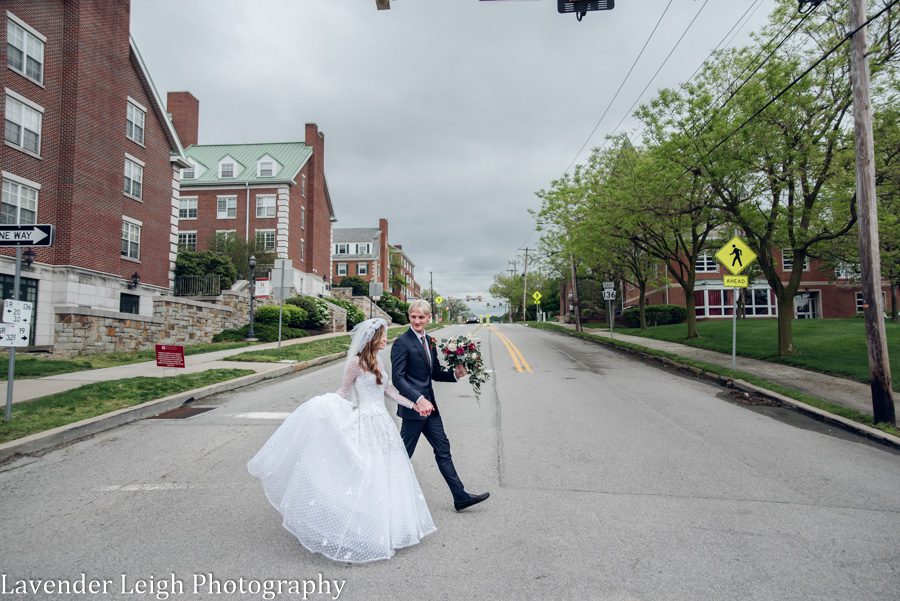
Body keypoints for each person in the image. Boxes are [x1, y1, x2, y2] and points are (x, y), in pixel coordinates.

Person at [247, 318, 436, 563]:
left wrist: (415, 404)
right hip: (365, 423)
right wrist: (323, 406)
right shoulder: (355, 364)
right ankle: (364, 528)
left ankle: (388, 527)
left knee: (387, 473)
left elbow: (389, 392)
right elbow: (343, 392)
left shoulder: (379, 361)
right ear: (372, 338)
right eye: (383, 335)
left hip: (383, 425)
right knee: (367, 472)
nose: (386, 339)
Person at [391, 299, 490, 512]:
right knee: (403, 455)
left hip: (431, 409)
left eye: (421, 317)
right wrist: (418, 399)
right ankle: (385, 497)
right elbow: (398, 379)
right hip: (414, 410)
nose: (417, 321)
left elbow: (434, 373)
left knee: (443, 449)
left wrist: (455, 374)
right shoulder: (402, 343)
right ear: (409, 317)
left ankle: (460, 496)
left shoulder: (430, 341)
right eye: (414, 317)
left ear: (428, 318)